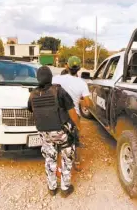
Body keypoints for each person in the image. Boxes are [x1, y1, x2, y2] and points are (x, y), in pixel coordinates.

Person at [28, 66, 81, 197]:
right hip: (62, 132)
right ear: (50, 77)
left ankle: (52, 188)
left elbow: (31, 109)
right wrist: (78, 127)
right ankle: (65, 188)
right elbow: (72, 113)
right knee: (67, 158)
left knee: (50, 159)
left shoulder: (33, 94)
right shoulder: (59, 91)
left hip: (45, 133)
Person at [52, 56, 91, 170]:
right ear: (79, 69)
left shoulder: (56, 79)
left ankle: (59, 167)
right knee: (75, 139)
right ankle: (77, 162)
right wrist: (81, 100)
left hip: (59, 115)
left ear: (66, 66)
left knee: (60, 140)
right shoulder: (82, 83)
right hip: (75, 115)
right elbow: (87, 104)